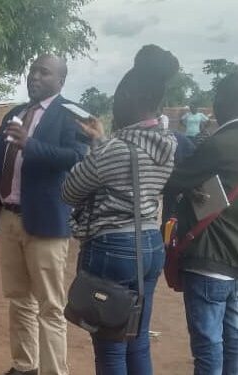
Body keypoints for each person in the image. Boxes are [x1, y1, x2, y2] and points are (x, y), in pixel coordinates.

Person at [0, 54, 87, 375]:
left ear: (60, 80)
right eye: (32, 70)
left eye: (44, 72)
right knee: (19, 299)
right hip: (9, 217)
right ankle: (24, 365)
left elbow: (76, 157)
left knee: (49, 305)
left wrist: (30, 144)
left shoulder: (70, 115)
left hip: (46, 222)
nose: (34, 76)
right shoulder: (16, 114)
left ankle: (53, 372)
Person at [62, 45, 179, 375]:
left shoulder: (114, 148)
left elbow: (70, 190)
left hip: (113, 249)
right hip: (150, 244)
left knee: (110, 348)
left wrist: (94, 147)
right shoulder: (167, 144)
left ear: (128, 96)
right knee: (137, 340)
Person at [165, 72, 238, 374]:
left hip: (209, 258)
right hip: (235, 263)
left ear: (222, 102)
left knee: (208, 348)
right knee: (233, 342)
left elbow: (174, 180)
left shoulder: (220, 144)